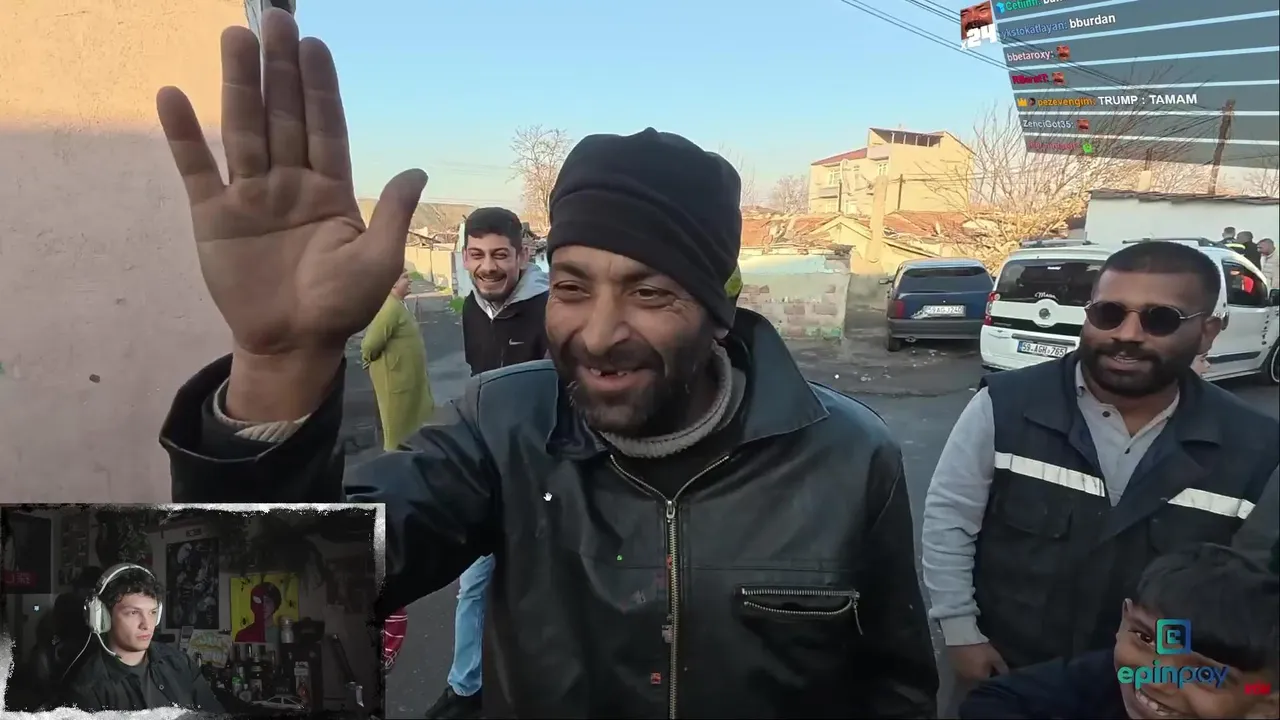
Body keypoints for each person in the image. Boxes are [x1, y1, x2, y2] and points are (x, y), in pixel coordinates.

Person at [156, 9, 938, 716]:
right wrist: (279, 360)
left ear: (717, 310)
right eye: (571, 287)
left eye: (650, 292)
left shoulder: (848, 456)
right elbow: (253, 636)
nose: (597, 334)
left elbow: (894, 689)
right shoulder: (504, 429)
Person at [921, 241, 1280, 714]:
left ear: (1208, 331)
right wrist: (961, 634)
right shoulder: (1004, 405)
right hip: (1005, 670)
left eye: (1160, 319)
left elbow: (1252, 600)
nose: (1127, 334)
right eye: (1108, 314)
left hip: (1157, 691)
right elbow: (949, 521)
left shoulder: (1255, 447)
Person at [428, 206, 549, 718]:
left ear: (522, 254)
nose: (488, 267)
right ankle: (464, 688)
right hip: (489, 471)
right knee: (473, 584)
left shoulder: (552, 308)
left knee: (545, 587)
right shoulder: (472, 309)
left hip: (544, 475)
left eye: (500, 254)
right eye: (476, 255)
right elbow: (476, 384)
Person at [958, 543, 1280, 719]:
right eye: (1145, 638)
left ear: (1267, 708)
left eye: (1205, 674)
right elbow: (993, 700)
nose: (1155, 679)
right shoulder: (1111, 677)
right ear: (1125, 620)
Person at [62, 564, 223, 713]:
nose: (147, 624)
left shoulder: (181, 663)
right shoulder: (87, 691)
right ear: (103, 617)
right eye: (133, 612)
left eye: (152, 612)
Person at [361, 268, 434, 451]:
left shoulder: (398, 304)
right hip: (396, 384)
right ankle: (393, 463)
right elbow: (370, 344)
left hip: (406, 380)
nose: (409, 281)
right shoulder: (389, 308)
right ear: (393, 283)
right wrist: (368, 359)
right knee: (397, 432)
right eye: (404, 278)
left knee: (411, 428)